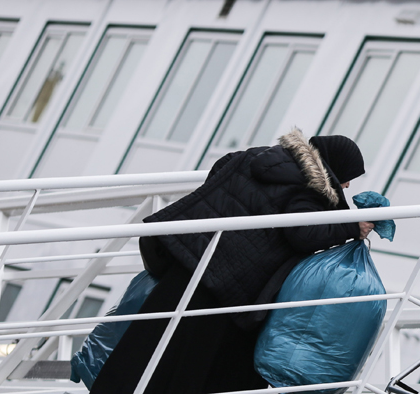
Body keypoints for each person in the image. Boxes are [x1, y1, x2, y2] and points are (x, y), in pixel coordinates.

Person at [90, 129, 375, 394]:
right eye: (347, 177)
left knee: (147, 347)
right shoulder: (309, 187)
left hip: (191, 258)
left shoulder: (261, 156)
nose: (347, 185)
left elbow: (219, 170)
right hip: (229, 283)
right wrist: (350, 227)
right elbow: (303, 233)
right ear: (333, 166)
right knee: (196, 364)